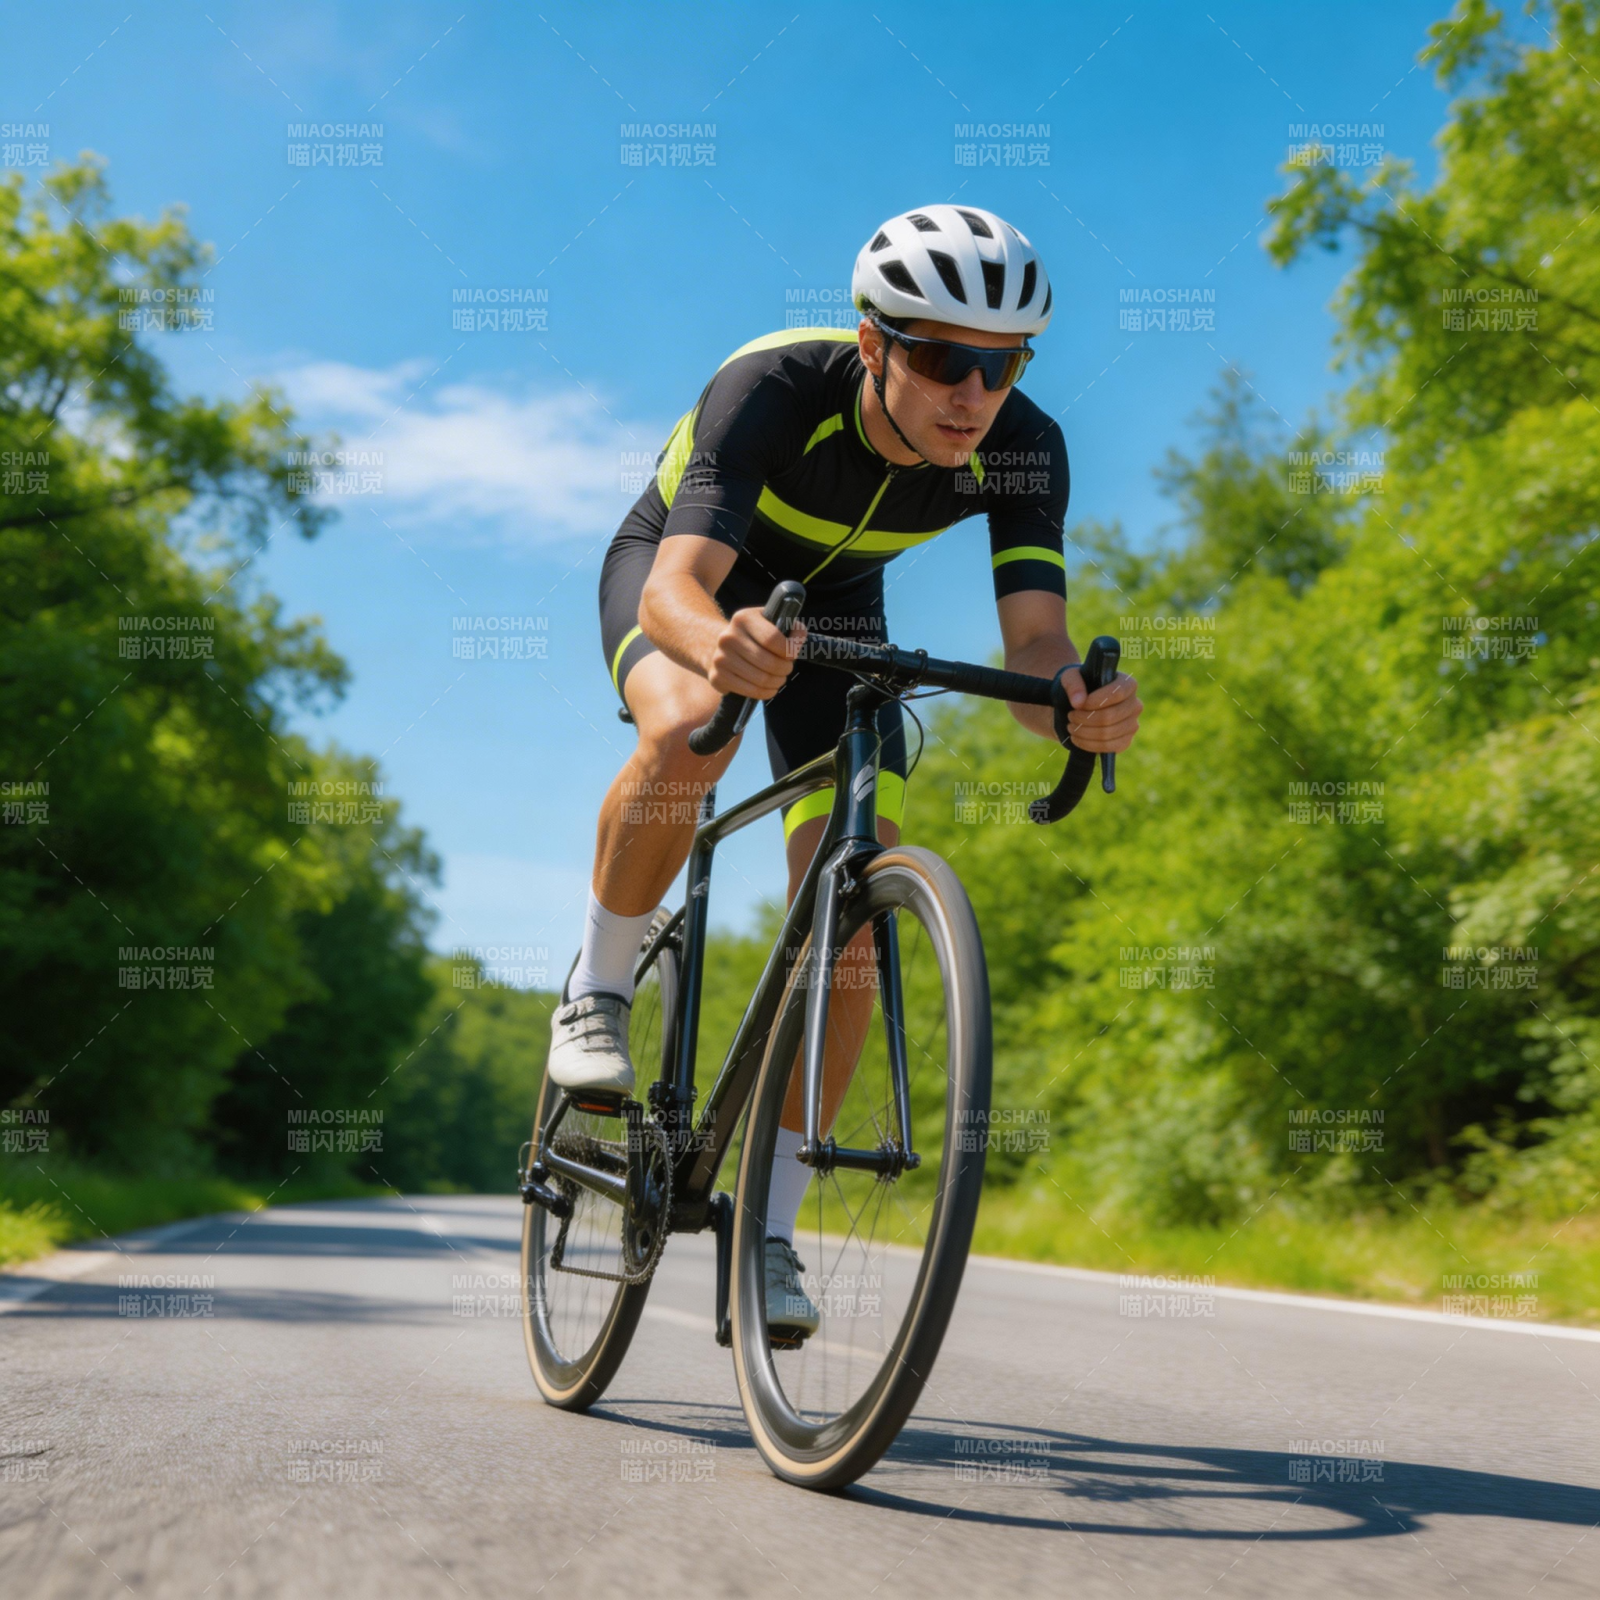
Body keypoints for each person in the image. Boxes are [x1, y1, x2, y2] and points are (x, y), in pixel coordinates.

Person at [546, 203, 1142, 1337]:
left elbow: (1034, 651)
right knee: (685, 727)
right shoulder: (773, 388)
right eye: (938, 356)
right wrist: (718, 643)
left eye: (1001, 362)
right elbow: (678, 585)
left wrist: (1079, 710)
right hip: (687, 571)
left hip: (837, 614)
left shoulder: (1024, 444)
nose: (972, 392)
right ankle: (599, 989)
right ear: (874, 344)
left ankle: (766, 1234)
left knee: (851, 924)